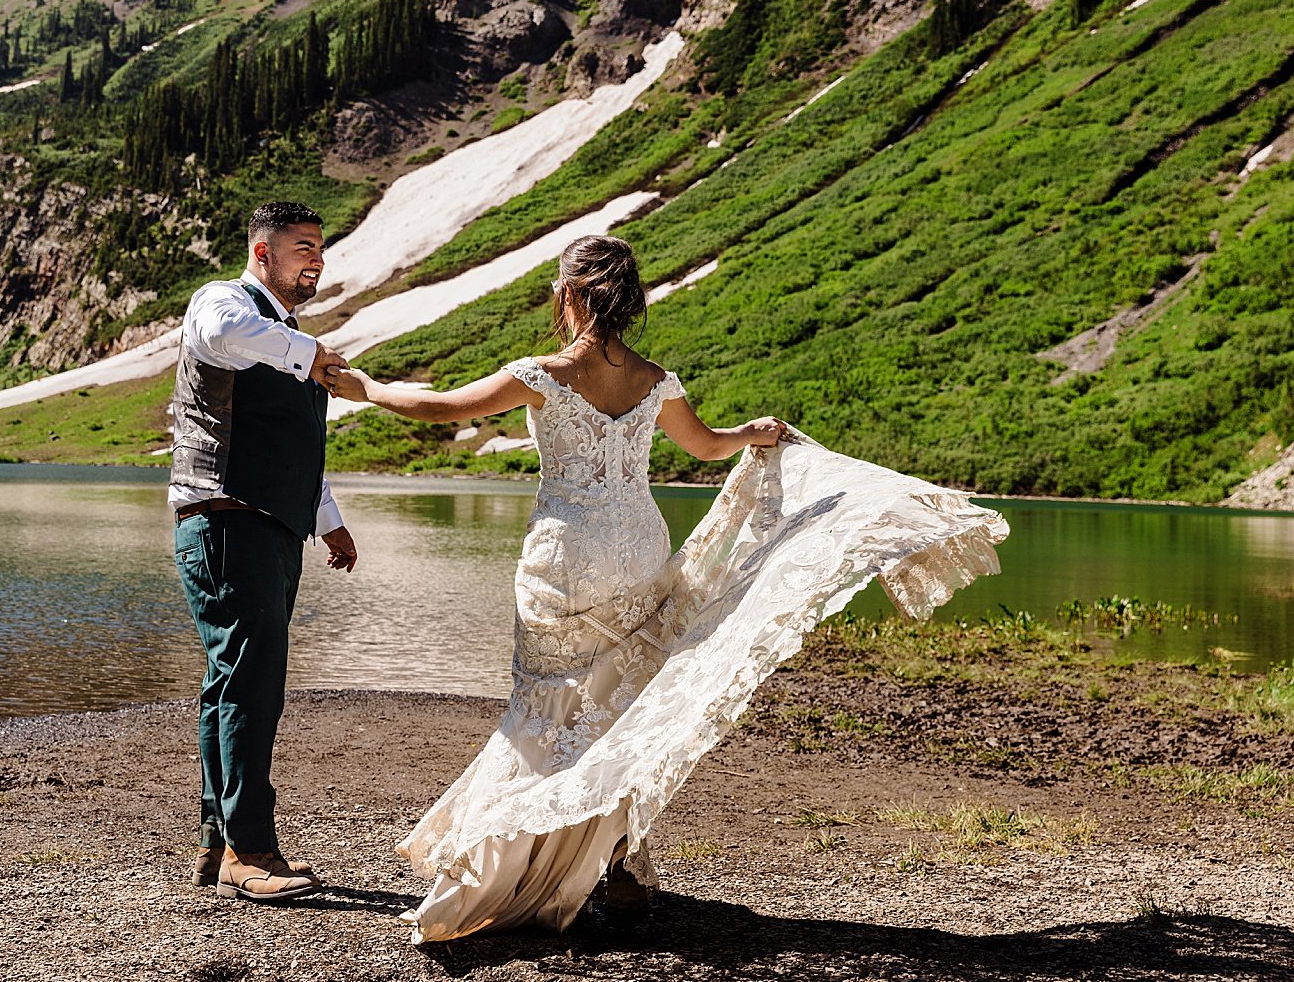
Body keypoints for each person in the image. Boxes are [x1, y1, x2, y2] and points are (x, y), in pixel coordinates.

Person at [328, 234, 1008, 942]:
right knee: (621, 706)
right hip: (638, 550)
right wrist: (754, 432)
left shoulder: (544, 371)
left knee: (546, 710)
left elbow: (442, 407)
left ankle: (517, 864)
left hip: (567, 555)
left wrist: (366, 387)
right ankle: (619, 858)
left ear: (568, 295)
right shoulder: (657, 380)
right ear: (628, 301)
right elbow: (710, 444)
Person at [169, 201, 359, 903]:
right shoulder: (224, 303)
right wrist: (308, 356)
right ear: (261, 253)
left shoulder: (284, 333)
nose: (316, 258)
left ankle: (218, 843)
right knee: (251, 686)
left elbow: (289, 443)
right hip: (226, 522)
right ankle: (251, 851)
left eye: (320, 248)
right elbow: (220, 331)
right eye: (302, 245)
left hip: (267, 526)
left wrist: (328, 518)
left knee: (231, 685)